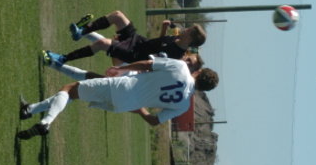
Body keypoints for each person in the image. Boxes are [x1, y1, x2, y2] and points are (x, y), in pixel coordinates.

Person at [16, 56, 219, 140]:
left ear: (199, 72)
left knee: (69, 90)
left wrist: (122, 69)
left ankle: (45, 122)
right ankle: (29, 110)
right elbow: (154, 120)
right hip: (123, 106)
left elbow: (148, 64)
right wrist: (139, 107)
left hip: (122, 87)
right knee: (75, 94)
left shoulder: (181, 68)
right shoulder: (184, 105)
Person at [43, 10, 206, 67]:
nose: (185, 29)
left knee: (102, 43)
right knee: (118, 16)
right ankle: (81, 32)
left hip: (135, 54)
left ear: (190, 39)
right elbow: (159, 44)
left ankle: (62, 59)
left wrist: (125, 65)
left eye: (189, 30)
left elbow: (153, 62)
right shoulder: (176, 38)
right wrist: (163, 29)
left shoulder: (176, 57)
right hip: (139, 41)